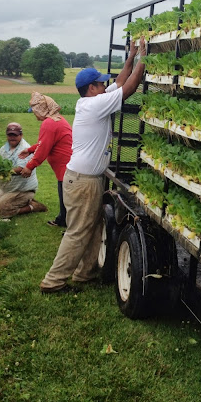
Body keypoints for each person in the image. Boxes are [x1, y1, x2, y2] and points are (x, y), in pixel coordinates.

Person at [40, 38, 146, 293]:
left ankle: (84, 273)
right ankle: (53, 282)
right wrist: (145, 58)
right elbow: (129, 87)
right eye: (100, 82)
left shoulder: (91, 101)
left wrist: (131, 57)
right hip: (84, 181)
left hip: (84, 179)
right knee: (77, 232)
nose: (105, 84)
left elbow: (119, 82)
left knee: (94, 225)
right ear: (91, 88)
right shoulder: (95, 105)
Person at [18, 92, 72, 227]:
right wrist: (30, 150)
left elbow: (43, 149)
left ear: (41, 109)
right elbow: (46, 143)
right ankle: (62, 220)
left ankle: (68, 223)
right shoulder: (56, 119)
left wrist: (30, 166)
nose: (34, 114)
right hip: (66, 168)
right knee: (64, 196)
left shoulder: (49, 123)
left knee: (67, 198)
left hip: (65, 169)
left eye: (35, 111)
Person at [0, 122, 47, 219]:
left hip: (22, 190)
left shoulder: (24, 148)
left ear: (21, 135)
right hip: (7, 189)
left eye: (15, 135)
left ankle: (33, 207)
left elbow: (21, 169)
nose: (12, 138)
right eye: (10, 135)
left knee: (0, 212)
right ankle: (24, 202)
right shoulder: (4, 148)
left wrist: (1, 173)